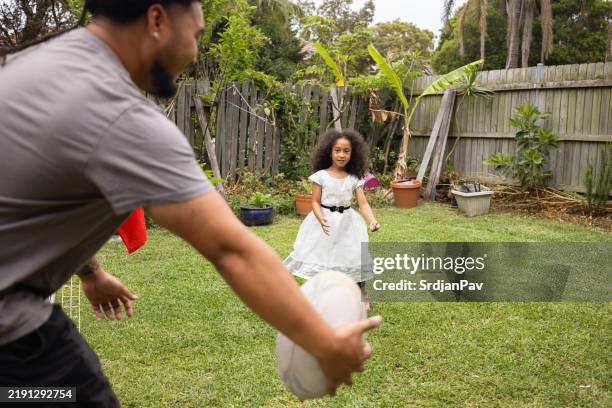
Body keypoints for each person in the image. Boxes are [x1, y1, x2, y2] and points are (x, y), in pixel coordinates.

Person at [0, 1, 382, 405]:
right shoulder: (117, 114)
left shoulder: (31, 65)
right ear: (157, 19)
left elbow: (37, 199)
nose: (195, 53)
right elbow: (231, 249)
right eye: (196, 35)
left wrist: (90, 272)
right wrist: (323, 340)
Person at [284, 130, 381, 313]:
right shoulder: (320, 176)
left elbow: (363, 203)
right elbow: (314, 201)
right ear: (330, 152)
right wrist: (320, 218)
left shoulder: (355, 178)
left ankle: (361, 292)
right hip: (324, 222)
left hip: (348, 223)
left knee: (353, 256)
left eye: (346, 151)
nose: (341, 155)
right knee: (321, 255)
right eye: (338, 150)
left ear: (353, 154)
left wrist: (372, 220)